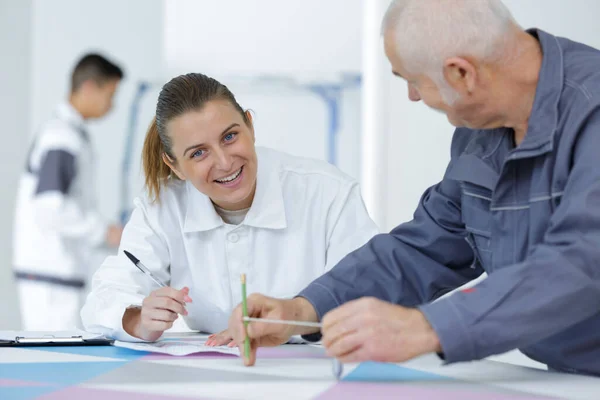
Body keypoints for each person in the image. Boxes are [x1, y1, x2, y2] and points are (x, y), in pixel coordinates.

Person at [228, 0, 600, 377]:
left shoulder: (593, 110)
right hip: (568, 380)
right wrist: (303, 310)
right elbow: (428, 246)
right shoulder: (481, 132)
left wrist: (426, 327)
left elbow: (582, 262)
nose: (413, 96)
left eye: (413, 80)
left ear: (460, 74)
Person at [80, 73, 378, 343]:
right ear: (175, 165)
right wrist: (139, 319)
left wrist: (297, 320)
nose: (224, 163)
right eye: (198, 153)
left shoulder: (328, 193)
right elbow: (103, 299)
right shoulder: (162, 208)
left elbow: (373, 293)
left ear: (250, 125)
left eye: (230, 136)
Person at [13, 53, 124, 330]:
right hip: (51, 278)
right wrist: (105, 232)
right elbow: (51, 208)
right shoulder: (61, 137)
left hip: (56, 275)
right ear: (88, 87)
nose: (112, 105)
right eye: (110, 94)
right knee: (52, 363)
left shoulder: (69, 134)